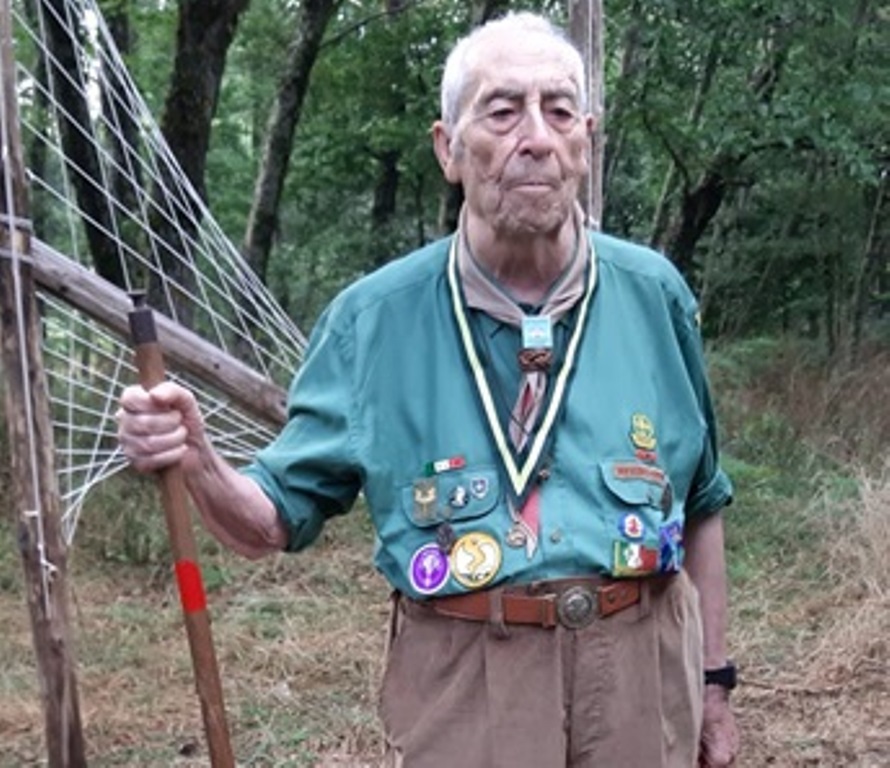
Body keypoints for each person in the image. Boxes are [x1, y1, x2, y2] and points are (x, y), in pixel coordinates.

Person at [117, 11, 739, 767]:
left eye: (559, 111)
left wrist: (713, 684)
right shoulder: (373, 320)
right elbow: (269, 521)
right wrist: (199, 460)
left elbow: (702, 501)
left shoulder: (654, 296)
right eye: (503, 111)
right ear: (449, 148)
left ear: (586, 140)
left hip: (642, 673)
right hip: (466, 677)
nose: (534, 137)